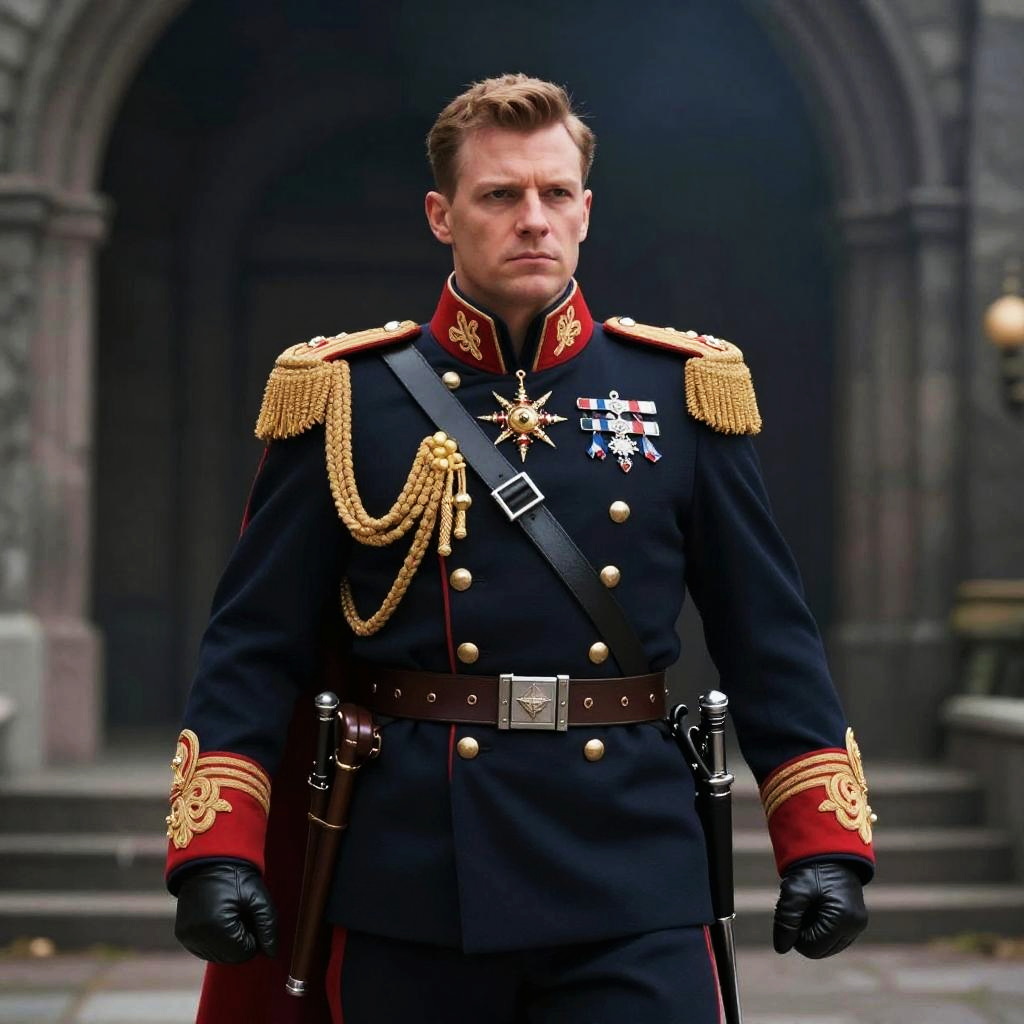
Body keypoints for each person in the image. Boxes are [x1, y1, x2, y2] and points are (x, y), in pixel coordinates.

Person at [166, 73, 875, 1024]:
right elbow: (254, 643)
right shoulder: (343, 397)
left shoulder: (684, 391)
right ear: (441, 215)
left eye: (554, 193)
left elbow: (769, 633)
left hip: (630, 865)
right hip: (417, 872)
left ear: (586, 211)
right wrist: (216, 849)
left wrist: (822, 841)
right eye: (500, 195)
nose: (532, 218)